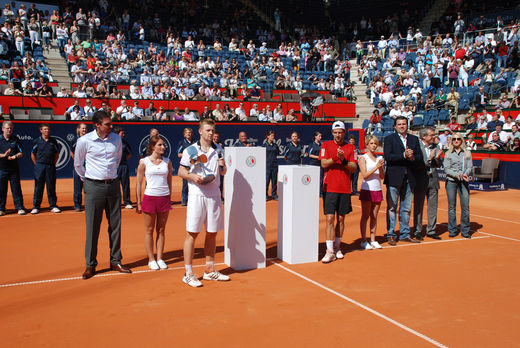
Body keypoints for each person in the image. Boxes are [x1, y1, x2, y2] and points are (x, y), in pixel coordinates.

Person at [74, 110, 132, 280]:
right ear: (97, 125)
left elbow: (118, 158)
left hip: (113, 185)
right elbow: (78, 164)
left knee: (115, 225)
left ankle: (115, 261)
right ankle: (90, 264)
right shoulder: (84, 141)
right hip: (93, 187)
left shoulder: (116, 139)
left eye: (111, 123)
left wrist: (110, 176)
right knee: (93, 227)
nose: (111, 126)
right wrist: (88, 180)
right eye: (107, 124)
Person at [178, 119, 229, 287]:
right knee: (192, 233)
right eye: (207, 130)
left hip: (214, 195)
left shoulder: (219, 149)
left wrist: (223, 166)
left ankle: (209, 270)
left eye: (212, 130)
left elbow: (223, 172)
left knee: (212, 233)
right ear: (200, 131)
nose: (211, 133)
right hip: (197, 195)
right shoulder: (190, 150)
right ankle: (188, 273)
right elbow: (181, 171)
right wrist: (193, 177)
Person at [319, 121, 357, 262]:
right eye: (335, 132)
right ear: (332, 133)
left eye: (340, 132)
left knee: (341, 219)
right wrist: (336, 157)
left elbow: (353, 167)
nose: (338, 135)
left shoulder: (351, 147)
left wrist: (344, 160)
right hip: (329, 188)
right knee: (329, 219)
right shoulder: (326, 145)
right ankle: (329, 251)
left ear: (344, 133)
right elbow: (323, 163)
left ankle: (337, 247)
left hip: (345, 188)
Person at [383, 116, 423, 245]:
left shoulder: (414, 139)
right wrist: (403, 155)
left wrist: (412, 158)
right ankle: (391, 234)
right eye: (399, 124)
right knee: (392, 207)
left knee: (406, 208)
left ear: (407, 125)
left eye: (404, 124)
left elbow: (419, 157)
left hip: (409, 177)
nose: (402, 126)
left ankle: (405, 233)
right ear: (395, 126)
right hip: (394, 177)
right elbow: (388, 157)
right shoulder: (389, 139)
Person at [136, 135, 173, 271]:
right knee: (149, 230)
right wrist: (138, 202)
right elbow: (139, 182)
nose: (163, 147)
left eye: (163, 145)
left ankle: (160, 258)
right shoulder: (144, 162)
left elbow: (169, 180)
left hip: (164, 198)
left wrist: (169, 197)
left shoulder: (167, 162)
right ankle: (151, 259)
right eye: (160, 145)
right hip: (150, 198)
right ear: (152, 147)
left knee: (161, 229)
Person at [413, 127, 443, 241]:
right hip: (420, 180)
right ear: (423, 136)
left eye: (434, 135)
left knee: (433, 207)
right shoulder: (417, 147)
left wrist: (438, 158)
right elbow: (418, 164)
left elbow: (439, 165)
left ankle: (431, 230)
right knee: (418, 207)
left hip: (433, 179)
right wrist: (430, 159)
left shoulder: (437, 147)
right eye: (431, 135)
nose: (434, 137)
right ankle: (417, 230)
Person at [444, 134, 473, 238]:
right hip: (451, 181)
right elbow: (446, 169)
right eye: (454, 139)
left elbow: (470, 167)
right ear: (452, 141)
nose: (456, 140)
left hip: (463, 182)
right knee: (452, 207)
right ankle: (452, 230)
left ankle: (465, 231)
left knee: (465, 207)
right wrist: (456, 175)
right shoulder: (448, 153)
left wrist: (465, 174)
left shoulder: (467, 153)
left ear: (462, 140)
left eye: (458, 139)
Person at [358, 135, 385, 250]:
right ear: (367, 145)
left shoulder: (379, 158)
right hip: (367, 189)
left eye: (375, 144)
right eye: (371, 143)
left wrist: (381, 168)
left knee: (374, 216)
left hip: (377, 189)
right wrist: (376, 167)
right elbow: (364, 175)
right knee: (365, 215)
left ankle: (373, 239)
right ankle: (364, 240)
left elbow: (382, 177)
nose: (374, 146)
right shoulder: (363, 158)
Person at [30, 123, 60, 214]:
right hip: (40, 166)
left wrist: (52, 164)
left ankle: (53, 205)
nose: (47, 131)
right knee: (38, 186)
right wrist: (37, 164)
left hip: (50, 166)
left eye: (48, 129)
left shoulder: (53, 141)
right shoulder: (36, 141)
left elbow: (56, 155)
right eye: (45, 129)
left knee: (51, 186)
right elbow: (32, 154)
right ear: (41, 130)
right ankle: (36, 206)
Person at [0, 121, 25, 216]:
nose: (9, 130)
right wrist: (4, 155)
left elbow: (21, 153)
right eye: (7, 128)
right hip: (1, 169)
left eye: (10, 128)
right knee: (1, 189)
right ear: (3, 129)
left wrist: (15, 156)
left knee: (16, 189)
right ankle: (1, 208)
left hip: (13, 169)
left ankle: (19, 207)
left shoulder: (16, 139)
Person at [114, 128, 133, 209]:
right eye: (122, 133)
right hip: (115, 167)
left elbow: (129, 154)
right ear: (117, 133)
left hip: (124, 166)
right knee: (115, 186)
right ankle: (116, 203)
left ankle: (127, 202)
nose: (124, 135)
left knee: (125, 184)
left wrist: (123, 160)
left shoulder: (125, 142)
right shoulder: (112, 142)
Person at [71, 123, 88, 212]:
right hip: (78, 167)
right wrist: (77, 161)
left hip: (89, 167)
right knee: (77, 187)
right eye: (82, 128)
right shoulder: (75, 140)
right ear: (78, 129)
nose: (84, 130)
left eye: (85, 128)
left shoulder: (89, 140)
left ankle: (89, 204)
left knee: (89, 187)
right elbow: (71, 152)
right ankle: (77, 205)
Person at [177, 128, 194, 206]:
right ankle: (184, 200)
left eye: (190, 133)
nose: (188, 134)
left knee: (194, 184)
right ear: (184, 134)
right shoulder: (182, 143)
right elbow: (179, 154)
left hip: (194, 166)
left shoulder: (195, 142)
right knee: (185, 184)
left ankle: (192, 200)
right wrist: (187, 155)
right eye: (187, 133)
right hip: (186, 166)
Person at [263, 130, 280, 200]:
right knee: (266, 181)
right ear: (267, 136)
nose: (273, 137)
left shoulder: (275, 145)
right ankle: (265, 195)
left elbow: (277, 153)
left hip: (274, 166)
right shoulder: (264, 145)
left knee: (274, 181)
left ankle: (274, 195)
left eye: (273, 136)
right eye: (271, 136)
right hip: (267, 166)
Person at [307, 131, 323, 196]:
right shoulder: (311, 145)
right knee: (313, 179)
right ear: (315, 137)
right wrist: (318, 157)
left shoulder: (322, 145)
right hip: (313, 164)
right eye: (319, 136)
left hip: (320, 164)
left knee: (321, 179)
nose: (320, 137)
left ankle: (320, 192)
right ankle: (313, 192)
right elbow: (310, 155)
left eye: (321, 136)